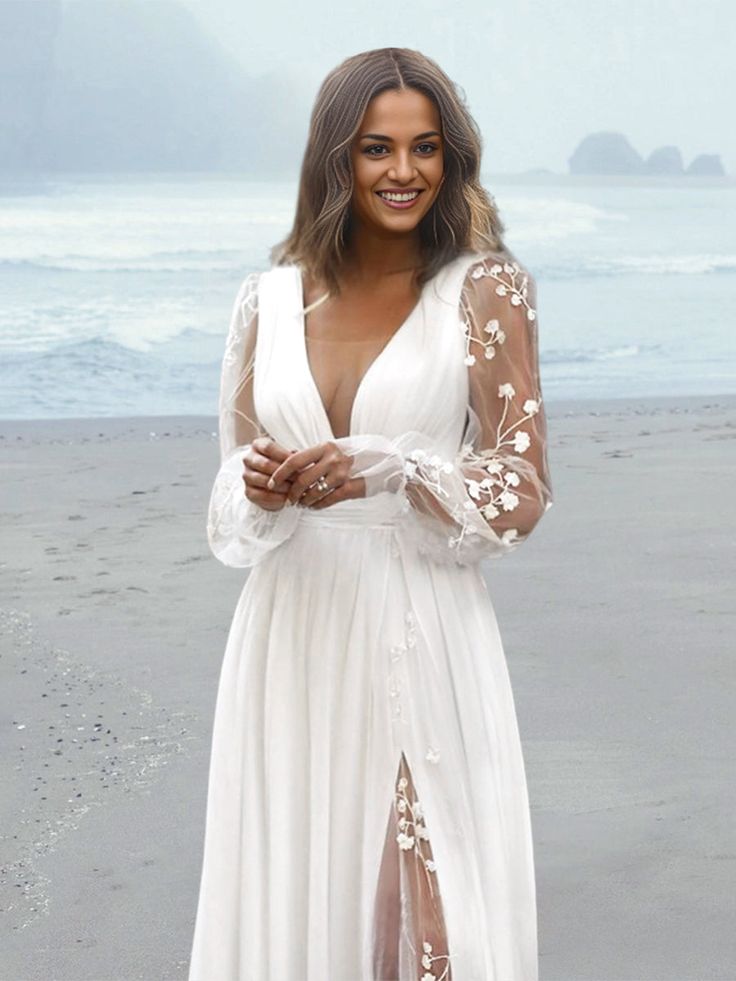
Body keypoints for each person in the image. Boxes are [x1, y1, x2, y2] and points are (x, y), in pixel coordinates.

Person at [188, 46, 554, 981]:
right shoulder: (263, 303)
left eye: (425, 148)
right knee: (302, 896)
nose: (403, 172)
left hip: (417, 626)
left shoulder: (484, 289)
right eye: (376, 149)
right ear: (334, 160)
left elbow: (521, 488)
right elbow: (228, 493)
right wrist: (261, 487)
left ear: (451, 157)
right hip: (292, 631)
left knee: (425, 910)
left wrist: (396, 468)